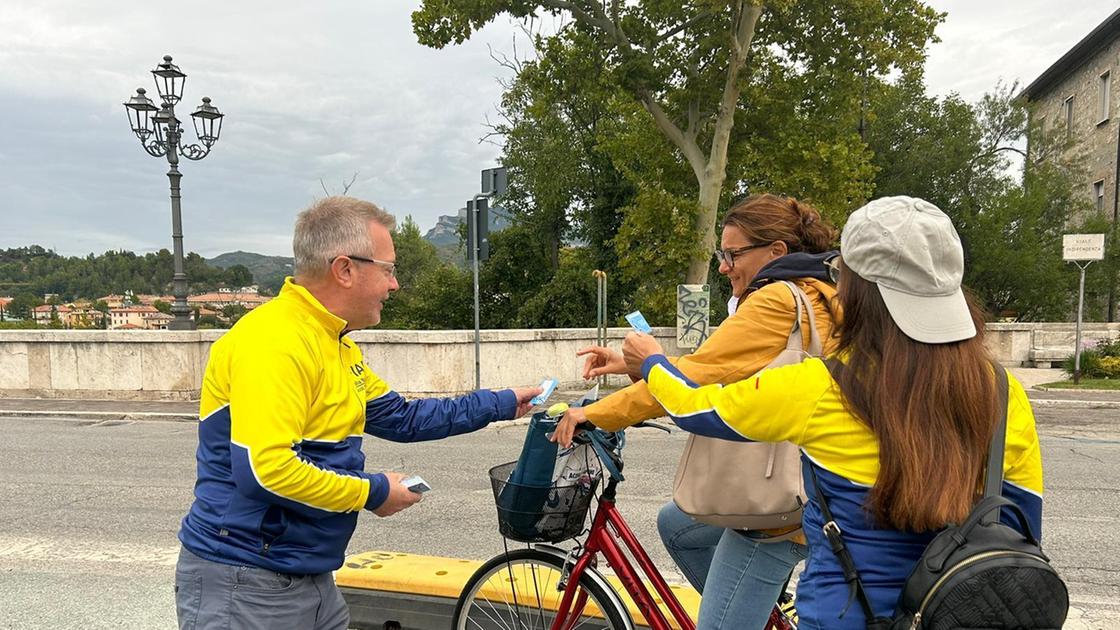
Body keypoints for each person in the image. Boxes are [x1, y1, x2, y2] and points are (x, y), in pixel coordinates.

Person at [622, 196, 1044, 630]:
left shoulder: (823, 386)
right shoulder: (1001, 390)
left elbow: (694, 408)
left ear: (855, 289)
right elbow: (1022, 528)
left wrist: (652, 361)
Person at [174, 196, 541, 630]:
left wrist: (502, 402)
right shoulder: (274, 341)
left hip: (307, 576)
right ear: (345, 269)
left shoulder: (336, 342)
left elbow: (404, 417)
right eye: (388, 269)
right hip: (246, 579)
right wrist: (372, 492)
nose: (395, 284)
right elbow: (265, 470)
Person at [552, 194, 840, 630]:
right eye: (721, 256)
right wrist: (634, 363)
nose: (724, 266)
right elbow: (721, 368)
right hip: (824, 484)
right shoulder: (820, 290)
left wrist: (596, 413)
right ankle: (758, 616)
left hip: (780, 510)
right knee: (677, 524)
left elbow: (695, 379)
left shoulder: (776, 300)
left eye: (733, 254)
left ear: (776, 252)